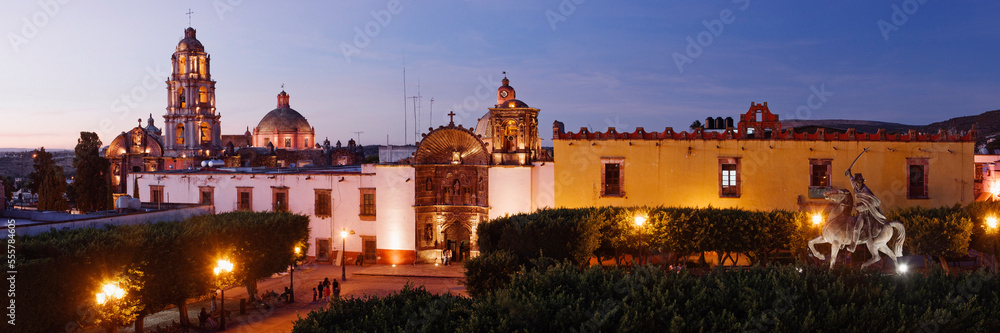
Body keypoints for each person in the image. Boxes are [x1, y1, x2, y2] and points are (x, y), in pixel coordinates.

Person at [845, 171, 887, 252]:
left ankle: (853, 246)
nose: (856, 185)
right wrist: (849, 174)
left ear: (861, 182)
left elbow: (871, 203)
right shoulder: (856, 187)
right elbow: (851, 181)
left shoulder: (866, 191)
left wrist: (861, 207)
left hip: (864, 215)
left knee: (857, 228)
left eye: (858, 183)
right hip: (858, 214)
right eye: (855, 183)